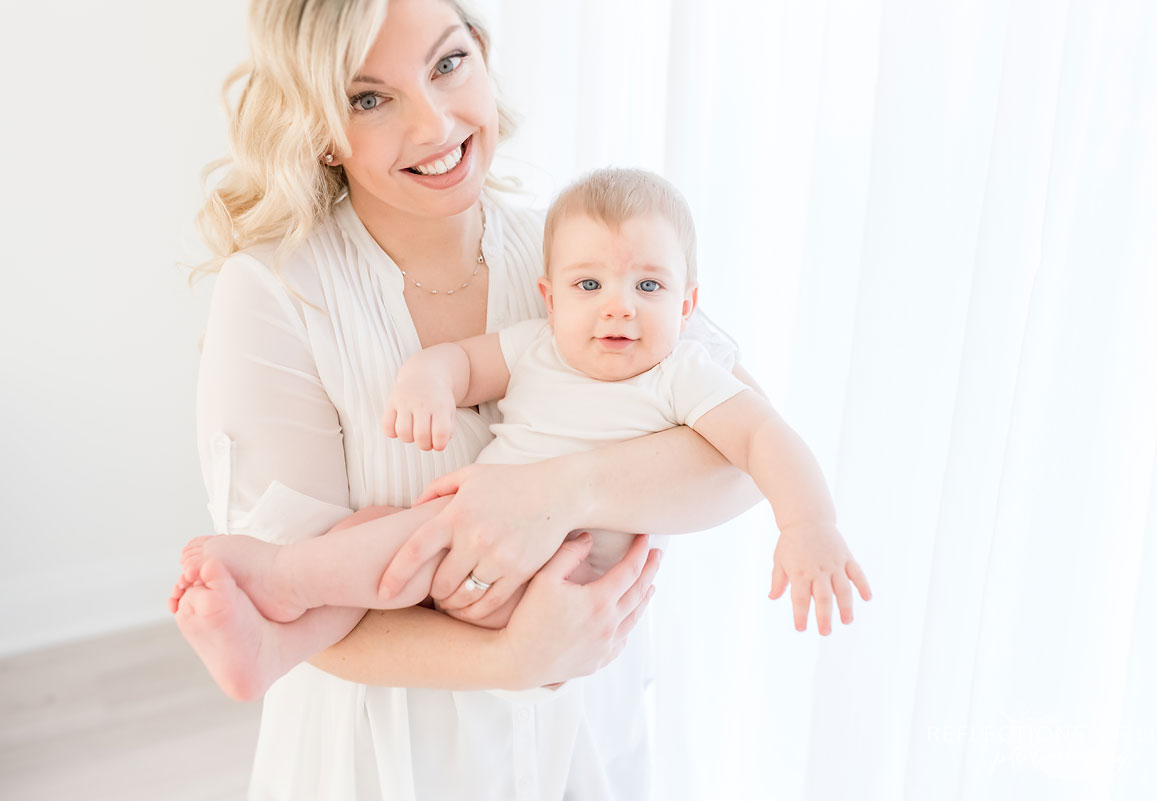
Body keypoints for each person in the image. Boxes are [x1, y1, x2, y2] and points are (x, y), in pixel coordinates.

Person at [176, 0, 790, 797]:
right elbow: (289, 602)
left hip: (583, 729)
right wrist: (509, 660)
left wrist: (556, 492)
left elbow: (747, 457)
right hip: (391, 753)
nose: (434, 124)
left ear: (484, 53)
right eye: (370, 97)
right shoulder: (275, 291)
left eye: (447, 63)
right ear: (321, 125)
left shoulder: (579, 252)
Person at [172, 167, 872, 704]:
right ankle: (277, 643)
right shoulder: (540, 345)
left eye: (650, 287)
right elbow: (465, 363)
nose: (618, 307)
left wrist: (809, 522)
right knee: (381, 533)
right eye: (590, 285)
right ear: (551, 295)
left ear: (689, 305)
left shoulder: (680, 371)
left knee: (397, 542)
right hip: (473, 567)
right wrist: (427, 379)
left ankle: (283, 576)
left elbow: (762, 439)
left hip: (553, 586)